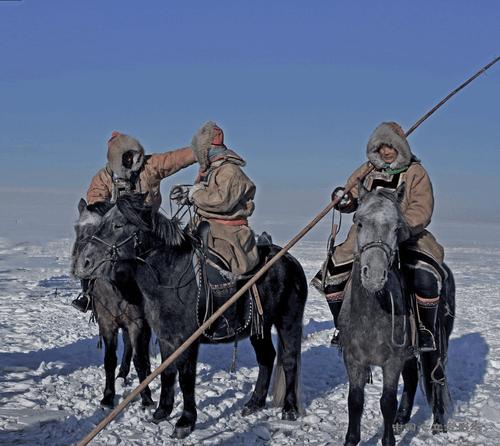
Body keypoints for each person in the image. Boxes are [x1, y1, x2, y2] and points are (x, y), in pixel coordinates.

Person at [312, 122, 445, 352]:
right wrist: (344, 200)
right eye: (381, 147)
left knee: (424, 276)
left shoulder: (415, 172)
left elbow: (422, 208)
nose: (385, 151)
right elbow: (352, 192)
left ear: (400, 147)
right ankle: (342, 326)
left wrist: (403, 227)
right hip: (367, 233)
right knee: (332, 271)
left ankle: (425, 330)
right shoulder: (368, 170)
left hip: (404, 232)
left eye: (390, 146)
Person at [72, 131, 196, 312]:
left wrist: (197, 152)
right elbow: (95, 203)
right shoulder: (103, 178)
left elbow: (173, 159)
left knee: (180, 245)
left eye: (132, 155)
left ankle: (183, 290)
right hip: (118, 230)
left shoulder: (149, 167)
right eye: (126, 156)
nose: (130, 160)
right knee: (89, 246)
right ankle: (89, 294)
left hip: (148, 226)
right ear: (115, 158)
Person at [187, 121, 259, 276]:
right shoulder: (215, 170)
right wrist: (189, 193)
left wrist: (196, 194)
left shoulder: (230, 171)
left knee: (218, 268)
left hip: (228, 234)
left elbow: (221, 202)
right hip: (210, 229)